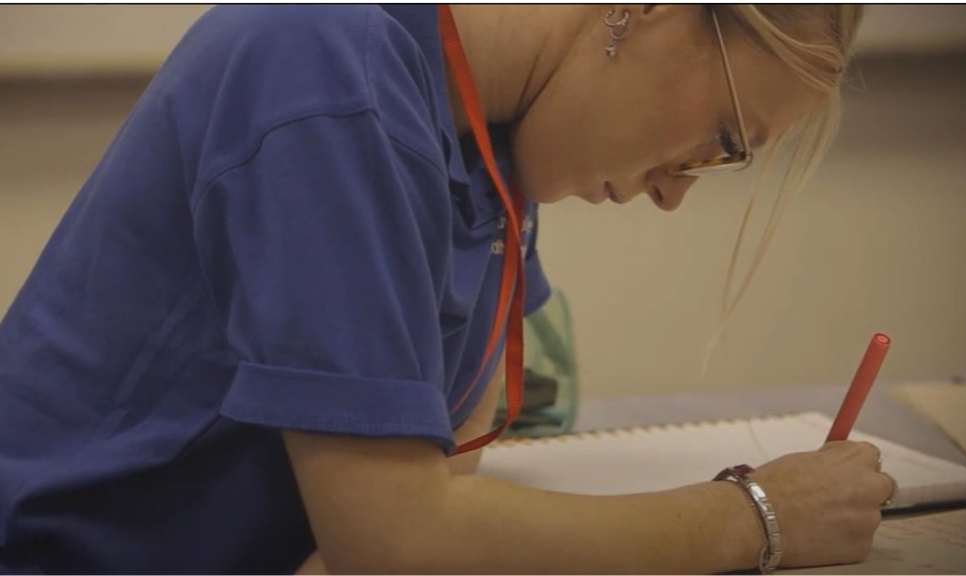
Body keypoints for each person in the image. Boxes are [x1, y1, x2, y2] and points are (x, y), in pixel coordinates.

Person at [0, 4, 896, 573]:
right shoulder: (322, 66)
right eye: (724, 138)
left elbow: (448, 463)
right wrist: (760, 515)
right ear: (653, 10)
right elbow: (397, 540)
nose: (675, 191)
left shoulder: (492, 137)